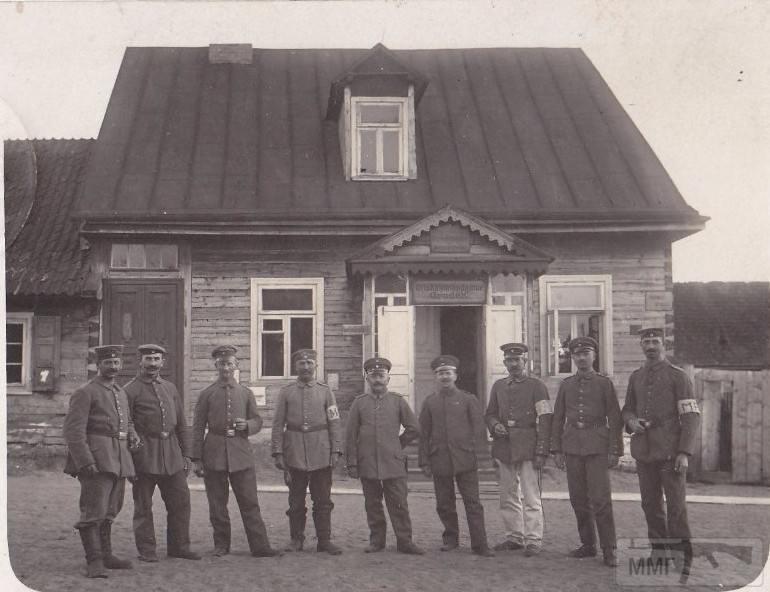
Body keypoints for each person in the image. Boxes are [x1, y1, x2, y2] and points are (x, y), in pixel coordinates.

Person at [621, 328, 701, 574]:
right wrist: (632, 422)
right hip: (645, 452)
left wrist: (684, 453)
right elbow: (627, 409)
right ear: (642, 346)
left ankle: (682, 557)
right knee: (650, 504)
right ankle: (659, 553)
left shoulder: (678, 376)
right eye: (646, 342)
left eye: (655, 341)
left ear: (663, 345)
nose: (651, 346)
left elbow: (690, 416)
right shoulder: (636, 377)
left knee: (676, 506)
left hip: (670, 451)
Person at [191, 345, 281, 558]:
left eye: (230, 363)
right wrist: (196, 458)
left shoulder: (245, 393)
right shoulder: (207, 394)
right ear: (216, 365)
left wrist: (248, 425)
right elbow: (196, 427)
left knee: (250, 502)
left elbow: (258, 421)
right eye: (222, 364)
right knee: (217, 504)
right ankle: (221, 545)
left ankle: (260, 547)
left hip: (241, 454)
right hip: (213, 454)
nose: (226, 368)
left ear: (236, 366)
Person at [63, 344, 139, 578]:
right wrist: (85, 461)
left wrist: (132, 432)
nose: (113, 367)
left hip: (119, 459)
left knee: (111, 510)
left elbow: (125, 421)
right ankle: (94, 561)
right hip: (97, 459)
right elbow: (73, 431)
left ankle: (107, 556)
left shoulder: (120, 391)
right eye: (108, 362)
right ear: (99, 365)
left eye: (117, 362)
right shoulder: (86, 391)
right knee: (93, 512)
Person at [124, 343, 200, 562]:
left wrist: (187, 455)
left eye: (157, 359)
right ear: (140, 361)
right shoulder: (130, 390)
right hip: (144, 457)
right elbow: (126, 425)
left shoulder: (170, 388)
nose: (153, 364)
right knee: (143, 507)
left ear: (162, 362)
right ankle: (147, 551)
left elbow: (181, 425)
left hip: (172, 457)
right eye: (148, 359)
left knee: (181, 502)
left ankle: (179, 547)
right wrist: (130, 461)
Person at [551, 337, 622, 567]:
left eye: (586, 353)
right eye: (577, 355)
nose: (581, 358)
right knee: (578, 499)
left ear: (594, 356)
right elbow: (558, 418)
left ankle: (609, 549)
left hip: (597, 446)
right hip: (572, 447)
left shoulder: (604, 384)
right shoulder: (567, 384)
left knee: (601, 500)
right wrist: (557, 449)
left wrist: (614, 449)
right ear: (572, 358)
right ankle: (588, 544)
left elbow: (615, 417)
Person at [345, 357, 424, 555]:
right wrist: (352, 463)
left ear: (388, 378)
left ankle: (405, 541)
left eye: (381, 376)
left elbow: (414, 428)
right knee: (372, 504)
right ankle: (376, 541)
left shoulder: (398, 401)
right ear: (367, 379)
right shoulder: (359, 403)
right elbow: (350, 435)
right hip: (368, 462)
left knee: (399, 504)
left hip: (393, 462)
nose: (377, 380)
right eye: (373, 376)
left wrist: (398, 445)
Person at [418, 355, 494, 557]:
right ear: (435, 376)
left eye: (448, 373)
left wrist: (480, 457)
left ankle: (480, 544)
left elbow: (478, 430)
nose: (444, 376)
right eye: (440, 373)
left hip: (465, 459)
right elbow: (424, 433)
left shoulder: (468, 399)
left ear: (455, 375)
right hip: (440, 458)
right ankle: (451, 539)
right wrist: (424, 461)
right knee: (444, 502)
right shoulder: (430, 402)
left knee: (473, 502)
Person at [272, 349, 344, 555]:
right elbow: (278, 424)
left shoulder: (325, 391)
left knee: (323, 500)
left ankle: (324, 540)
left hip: (321, 452)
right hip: (294, 452)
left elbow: (334, 421)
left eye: (309, 363)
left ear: (315, 366)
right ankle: (296, 539)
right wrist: (278, 451)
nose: (305, 367)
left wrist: (336, 449)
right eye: (301, 364)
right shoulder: (286, 392)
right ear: (295, 367)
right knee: (295, 500)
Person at [484, 343, 552, 557]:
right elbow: (490, 413)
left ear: (525, 362)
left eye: (517, 360)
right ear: (504, 362)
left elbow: (545, 418)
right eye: (509, 360)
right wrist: (495, 425)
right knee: (508, 494)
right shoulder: (499, 386)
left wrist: (542, 450)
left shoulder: (537, 385)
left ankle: (533, 539)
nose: (513, 364)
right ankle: (514, 536)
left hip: (528, 445)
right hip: (504, 446)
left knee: (531, 495)